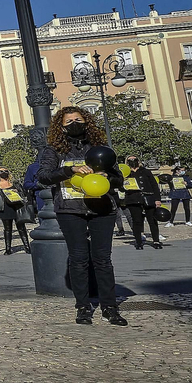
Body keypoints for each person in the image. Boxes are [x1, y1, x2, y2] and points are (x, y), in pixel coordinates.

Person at [37, 107, 127, 326]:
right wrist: (70, 171)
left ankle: (109, 307)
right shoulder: (54, 151)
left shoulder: (101, 149)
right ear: (60, 126)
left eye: (79, 119)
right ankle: (83, 307)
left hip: (102, 208)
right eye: (69, 121)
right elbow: (44, 177)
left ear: (88, 122)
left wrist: (108, 176)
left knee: (103, 259)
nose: (74, 123)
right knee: (79, 259)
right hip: (70, 209)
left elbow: (119, 180)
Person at [121, 155, 163, 250]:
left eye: (134, 159)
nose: (132, 161)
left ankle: (156, 240)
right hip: (133, 199)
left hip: (148, 198)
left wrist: (157, 199)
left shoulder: (146, 171)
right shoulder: (125, 173)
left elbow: (154, 185)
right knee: (137, 221)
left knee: (152, 221)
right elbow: (121, 187)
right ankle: (139, 242)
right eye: (130, 160)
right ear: (126, 162)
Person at [0, 168, 31, 255]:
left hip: (17, 207)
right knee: (7, 229)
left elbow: (24, 193)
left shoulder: (15, 183)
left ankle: (27, 247)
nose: (4, 172)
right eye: (1, 171)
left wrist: (18, 191)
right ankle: (8, 249)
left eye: (6, 171)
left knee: (21, 228)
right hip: (4, 209)